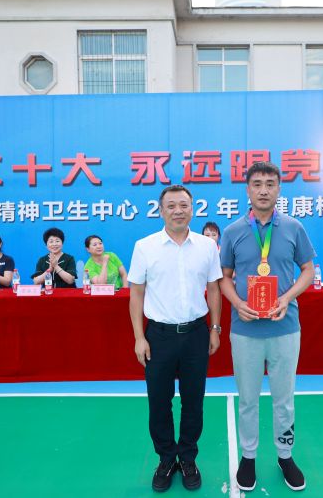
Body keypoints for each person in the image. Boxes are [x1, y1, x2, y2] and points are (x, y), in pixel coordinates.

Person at [219, 161, 315, 492]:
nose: (263, 190)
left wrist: (287, 297)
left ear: (279, 189)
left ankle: (285, 455)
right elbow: (224, 278)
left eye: (270, 184)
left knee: (283, 398)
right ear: (247, 190)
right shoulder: (232, 231)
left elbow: (308, 270)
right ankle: (248, 457)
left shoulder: (293, 227)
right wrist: (237, 303)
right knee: (247, 398)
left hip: (284, 327)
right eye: (257, 184)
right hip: (245, 329)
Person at [127, 185, 223, 492]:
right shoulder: (145, 246)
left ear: (192, 209)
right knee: (159, 402)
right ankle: (167, 459)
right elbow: (136, 293)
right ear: (161, 210)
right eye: (171, 206)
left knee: (193, 402)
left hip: (196, 334)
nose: (178, 211)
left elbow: (214, 289)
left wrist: (215, 328)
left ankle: (188, 458)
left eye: (184, 205)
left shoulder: (207, 247)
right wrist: (139, 337)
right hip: (159, 337)